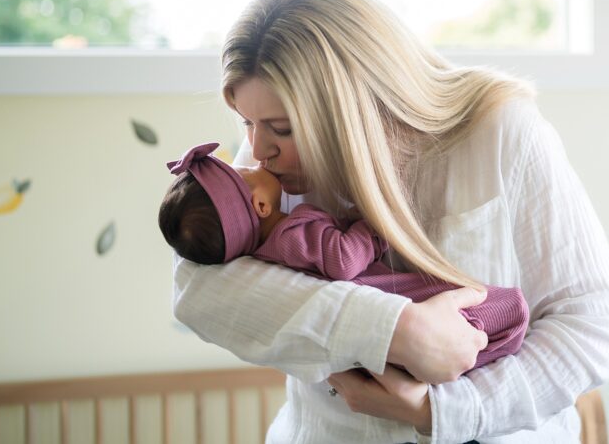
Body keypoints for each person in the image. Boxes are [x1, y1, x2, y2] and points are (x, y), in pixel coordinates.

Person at [171, 0, 609, 443]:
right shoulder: (268, 164)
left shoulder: (500, 132)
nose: (257, 149)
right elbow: (198, 289)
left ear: (356, 108)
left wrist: (444, 410)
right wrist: (394, 330)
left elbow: (592, 325)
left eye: (282, 128)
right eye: (247, 122)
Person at [159, 141, 529, 372]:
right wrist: (376, 221)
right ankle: (483, 346)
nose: (255, 157)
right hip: (386, 292)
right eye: (245, 171)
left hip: (381, 298)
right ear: (259, 205)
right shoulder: (290, 236)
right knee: (498, 307)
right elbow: (344, 260)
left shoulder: (269, 244)